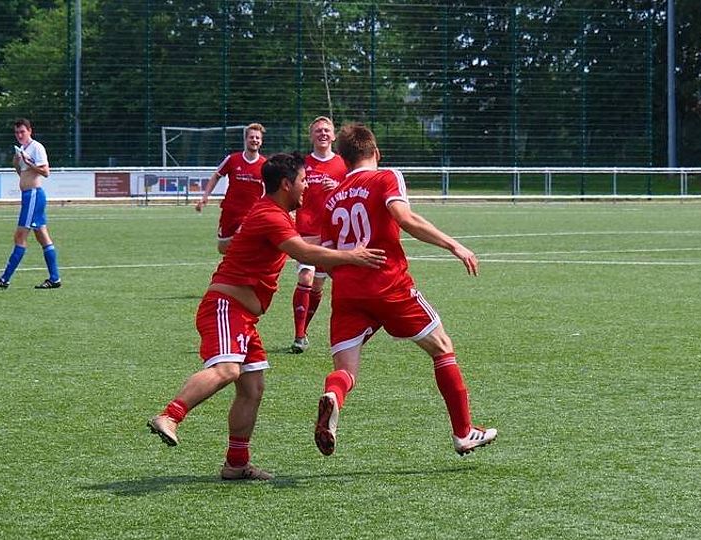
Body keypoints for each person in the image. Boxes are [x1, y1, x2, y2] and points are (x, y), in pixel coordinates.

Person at [148, 152, 386, 481]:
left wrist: (341, 244)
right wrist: (351, 255)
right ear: (286, 184)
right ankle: (170, 416)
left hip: (244, 316)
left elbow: (303, 242)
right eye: (303, 181)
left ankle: (236, 464)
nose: (307, 187)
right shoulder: (270, 215)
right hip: (226, 307)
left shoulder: (275, 214)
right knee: (228, 369)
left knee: (253, 388)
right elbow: (303, 251)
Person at [314, 122, 497, 457]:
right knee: (442, 347)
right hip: (388, 285)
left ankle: (333, 396)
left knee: (345, 372)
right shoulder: (386, 176)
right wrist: (454, 245)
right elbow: (405, 218)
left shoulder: (331, 198)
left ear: (343, 159)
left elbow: (325, 258)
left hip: (347, 292)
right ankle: (463, 432)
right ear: (376, 152)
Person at [289, 116, 347, 353]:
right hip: (306, 232)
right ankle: (298, 336)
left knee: (317, 287)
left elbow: (354, 191)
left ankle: (304, 330)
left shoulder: (343, 164)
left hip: (333, 234)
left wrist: (339, 188)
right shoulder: (302, 164)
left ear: (333, 136)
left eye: (326, 130)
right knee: (306, 278)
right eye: (318, 131)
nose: (323, 133)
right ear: (311, 136)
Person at [0, 118, 61, 289]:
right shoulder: (23, 149)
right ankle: (55, 278)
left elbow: (45, 172)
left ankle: (4, 279)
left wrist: (28, 162)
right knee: (42, 237)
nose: (19, 135)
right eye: (17, 132)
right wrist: (17, 164)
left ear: (29, 131)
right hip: (29, 196)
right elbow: (23, 175)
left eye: (22, 132)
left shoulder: (36, 147)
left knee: (20, 236)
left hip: (34, 195)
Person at [195, 123, 267, 254]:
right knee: (223, 248)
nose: (254, 140)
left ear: (261, 142)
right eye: (251, 137)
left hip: (250, 214)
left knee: (244, 244)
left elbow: (271, 190)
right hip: (230, 212)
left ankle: (243, 264)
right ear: (246, 139)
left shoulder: (265, 165)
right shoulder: (232, 159)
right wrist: (205, 197)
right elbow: (216, 176)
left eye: (257, 138)